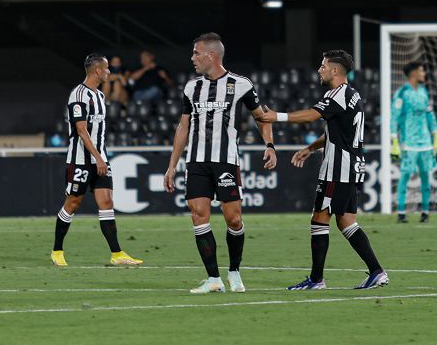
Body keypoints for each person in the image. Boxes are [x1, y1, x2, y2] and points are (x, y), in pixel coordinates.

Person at [255, 51, 388, 291]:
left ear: (335, 70)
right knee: (347, 222)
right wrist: (310, 148)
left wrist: (277, 117)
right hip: (350, 166)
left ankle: (316, 280)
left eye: (323, 65)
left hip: (338, 168)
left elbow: (311, 115)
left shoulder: (338, 94)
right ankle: (377, 272)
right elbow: (335, 132)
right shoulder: (352, 94)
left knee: (320, 218)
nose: (320, 69)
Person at [163, 33, 277, 295]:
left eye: (196, 53)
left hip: (226, 161)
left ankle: (234, 271)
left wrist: (269, 145)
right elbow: (183, 126)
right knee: (198, 215)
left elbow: (262, 117)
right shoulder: (191, 88)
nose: (192, 58)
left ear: (211, 55)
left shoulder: (241, 84)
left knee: (233, 219)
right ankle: (213, 278)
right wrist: (172, 165)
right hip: (197, 162)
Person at [51, 54, 143, 268]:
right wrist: (98, 158)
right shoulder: (78, 95)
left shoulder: (100, 96)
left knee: (106, 202)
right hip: (81, 160)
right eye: (107, 68)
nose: (109, 72)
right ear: (97, 71)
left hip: (100, 159)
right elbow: (81, 131)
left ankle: (117, 253)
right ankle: (57, 250)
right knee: (73, 203)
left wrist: (101, 158)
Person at [391, 62, 437, 223]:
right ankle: (401, 213)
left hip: (426, 143)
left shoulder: (424, 91)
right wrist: (394, 141)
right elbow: (394, 117)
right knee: (405, 177)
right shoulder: (402, 93)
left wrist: (436, 136)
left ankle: (425, 213)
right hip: (409, 143)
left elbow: (430, 115)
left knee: (426, 177)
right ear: (413, 73)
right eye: (421, 71)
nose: (424, 73)